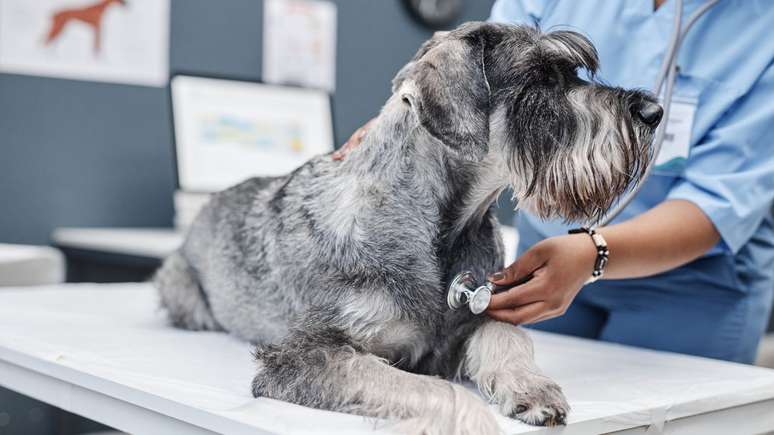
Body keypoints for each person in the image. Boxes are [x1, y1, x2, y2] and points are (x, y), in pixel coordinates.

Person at [335, 0, 774, 364]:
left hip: (689, 287)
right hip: (544, 259)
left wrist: (594, 253)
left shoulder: (763, 29)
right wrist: (395, 123)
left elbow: (718, 202)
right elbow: (474, 74)